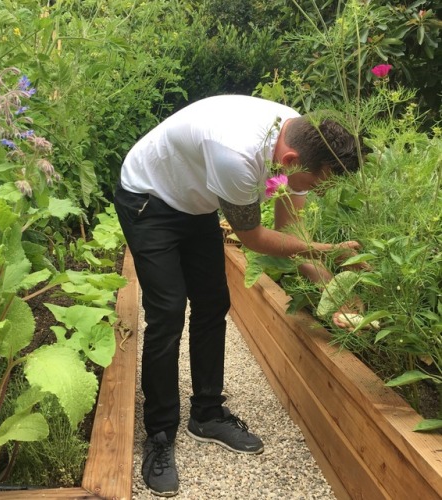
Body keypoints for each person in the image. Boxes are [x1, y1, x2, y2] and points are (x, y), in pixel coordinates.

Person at [113, 94, 361, 497]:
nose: (321, 191)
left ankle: (207, 414)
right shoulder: (237, 157)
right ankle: (159, 434)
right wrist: (329, 250)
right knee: (168, 311)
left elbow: (292, 235)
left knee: (213, 303)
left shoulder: (300, 135)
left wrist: (332, 284)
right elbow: (257, 240)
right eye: (319, 183)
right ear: (290, 161)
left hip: (194, 203)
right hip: (148, 198)